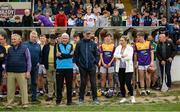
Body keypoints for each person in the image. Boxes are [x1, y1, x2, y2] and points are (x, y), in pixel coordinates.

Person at [5, 34, 31, 108]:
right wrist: (5, 71)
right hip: (10, 72)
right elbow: (7, 60)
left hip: (22, 72)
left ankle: (25, 103)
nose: (13, 41)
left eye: (14, 39)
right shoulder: (9, 49)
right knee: (10, 89)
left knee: (23, 88)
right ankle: (9, 104)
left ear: (19, 40)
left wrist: (28, 71)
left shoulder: (25, 48)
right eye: (12, 39)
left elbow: (28, 60)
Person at [74, 29, 99, 104]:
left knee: (93, 83)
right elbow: (76, 55)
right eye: (87, 34)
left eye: (89, 34)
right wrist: (79, 64)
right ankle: (81, 99)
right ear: (84, 34)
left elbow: (97, 55)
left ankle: (95, 99)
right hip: (82, 67)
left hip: (92, 66)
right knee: (83, 83)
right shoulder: (79, 43)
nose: (88, 35)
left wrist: (95, 62)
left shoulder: (93, 44)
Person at [114, 36, 135, 103]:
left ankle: (132, 96)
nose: (121, 42)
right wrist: (122, 56)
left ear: (126, 41)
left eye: (122, 40)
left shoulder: (130, 48)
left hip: (128, 68)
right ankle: (123, 97)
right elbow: (115, 55)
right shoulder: (118, 47)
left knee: (128, 83)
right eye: (120, 40)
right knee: (121, 83)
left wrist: (120, 57)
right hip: (120, 68)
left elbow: (129, 57)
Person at [55, 33, 74, 105]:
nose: (64, 39)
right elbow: (59, 56)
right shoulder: (58, 45)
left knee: (69, 85)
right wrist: (68, 55)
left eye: (66, 38)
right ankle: (58, 100)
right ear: (61, 39)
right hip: (60, 67)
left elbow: (71, 55)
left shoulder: (71, 45)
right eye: (63, 38)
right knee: (59, 85)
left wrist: (62, 55)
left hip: (69, 67)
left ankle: (69, 101)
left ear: (68, 39)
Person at [134, 31, 154, 96]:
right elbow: (135, 54)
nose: (137, 38)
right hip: (140, 63)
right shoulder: (136, 44)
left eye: (138, 37)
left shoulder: (148, 43)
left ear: (142, 37)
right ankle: (142, 90)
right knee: (141, 77)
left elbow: (151, 53)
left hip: (148, 63)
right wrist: (136, 62)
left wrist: (152, 61)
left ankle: (148, 89)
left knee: (148, 77)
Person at [24, 31, 41, 103]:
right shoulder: (25, 44)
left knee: (34, 82)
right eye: (32, 37)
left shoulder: (38, 45)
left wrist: (39, 62)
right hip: (26, 67)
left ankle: (34, 98)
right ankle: (24, 99)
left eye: (35, 37)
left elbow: (40, 55)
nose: (34, 38)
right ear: (30, 37)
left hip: (35, 67)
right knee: (24, 82)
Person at [42, 35, 56, 101]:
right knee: (50, 81)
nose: (52, 40)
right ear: (49, 39)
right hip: (48, 66)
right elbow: (43, 55)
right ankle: (50, 94)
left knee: (56, 81)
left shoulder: (58, 46)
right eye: (51, 39)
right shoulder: (46, 46)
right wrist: (44, 64)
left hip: (56, 66)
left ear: (55, 39)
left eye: (54, 39)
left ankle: (57, 94)